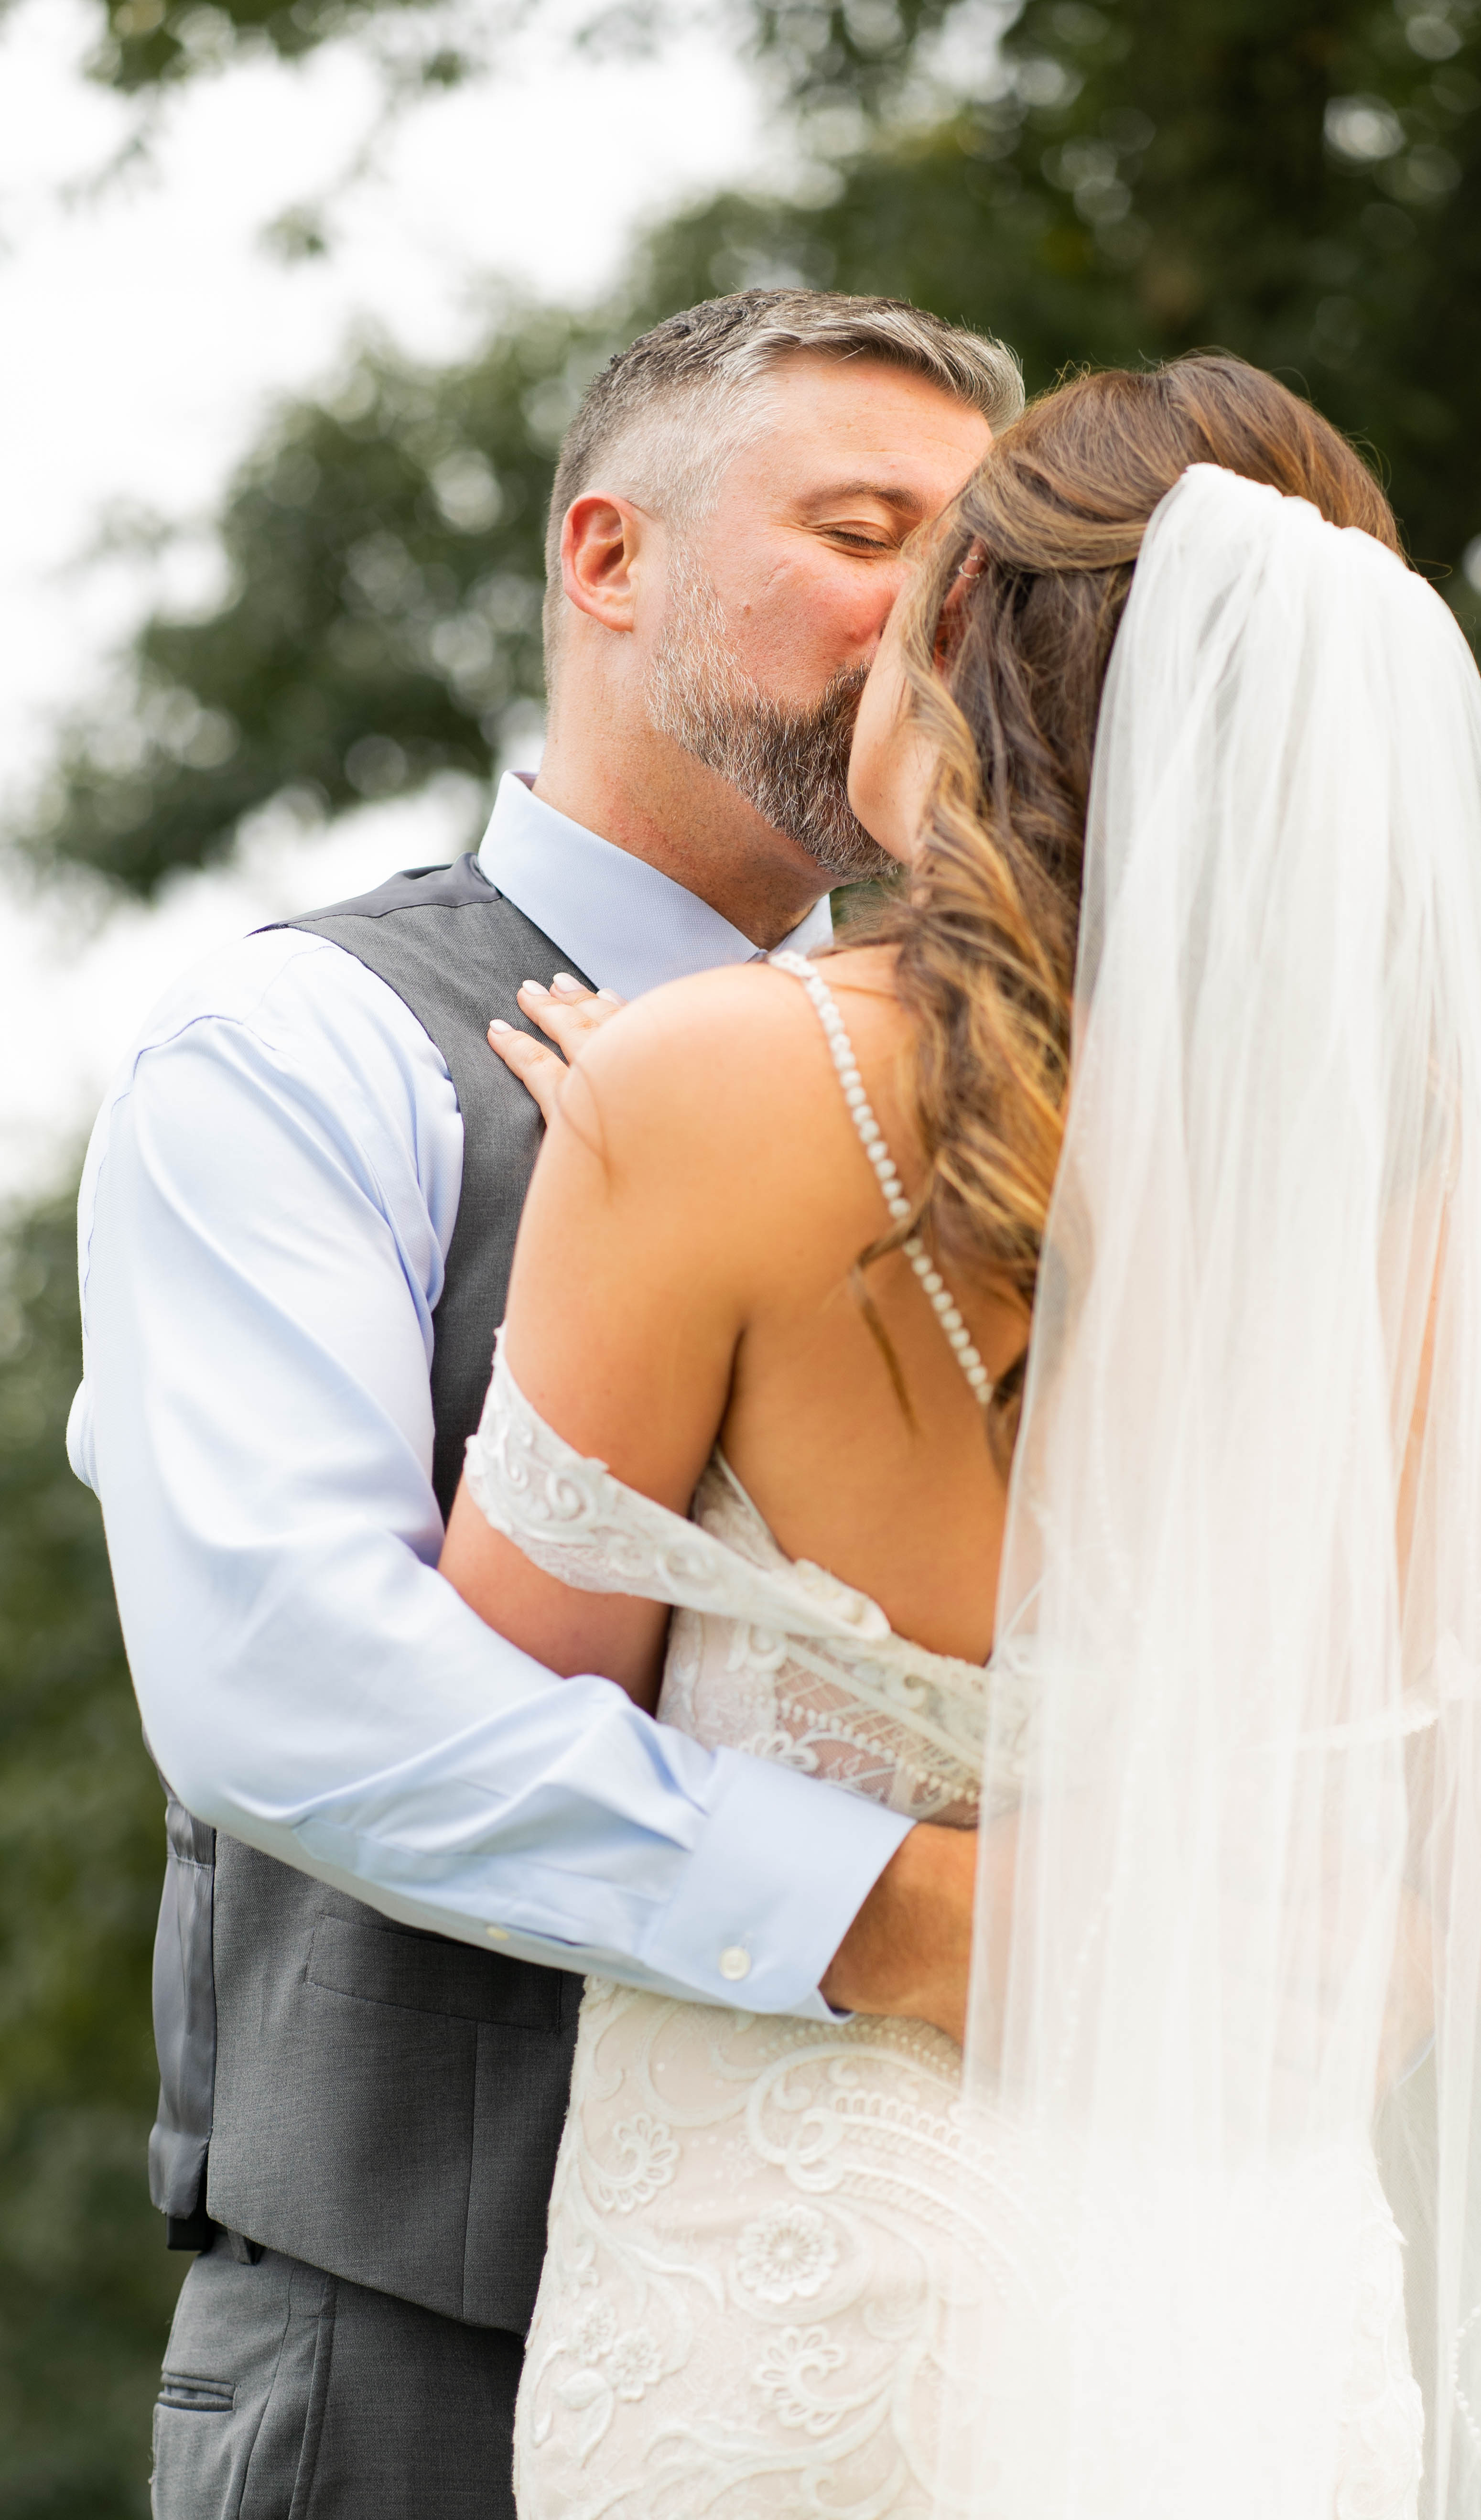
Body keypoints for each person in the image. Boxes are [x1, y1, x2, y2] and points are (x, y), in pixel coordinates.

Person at [452, 355, 1481, 2518]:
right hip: (1249, 2317)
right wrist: (1216, 1992)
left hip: (808, 2314)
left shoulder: (706, 1096)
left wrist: (632, 1141)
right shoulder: (1469, 1249)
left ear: (971, 611)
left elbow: (495, 1734)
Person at [70, 289, 1021, 2520]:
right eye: (865, 529)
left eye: (978, 572)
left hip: (929, 2332)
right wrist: (906, 1911)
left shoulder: (1003, 1116)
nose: (932, 628)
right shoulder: (299, 1047)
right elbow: (286, 1682)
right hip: (425, 2352)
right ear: (611, 560)